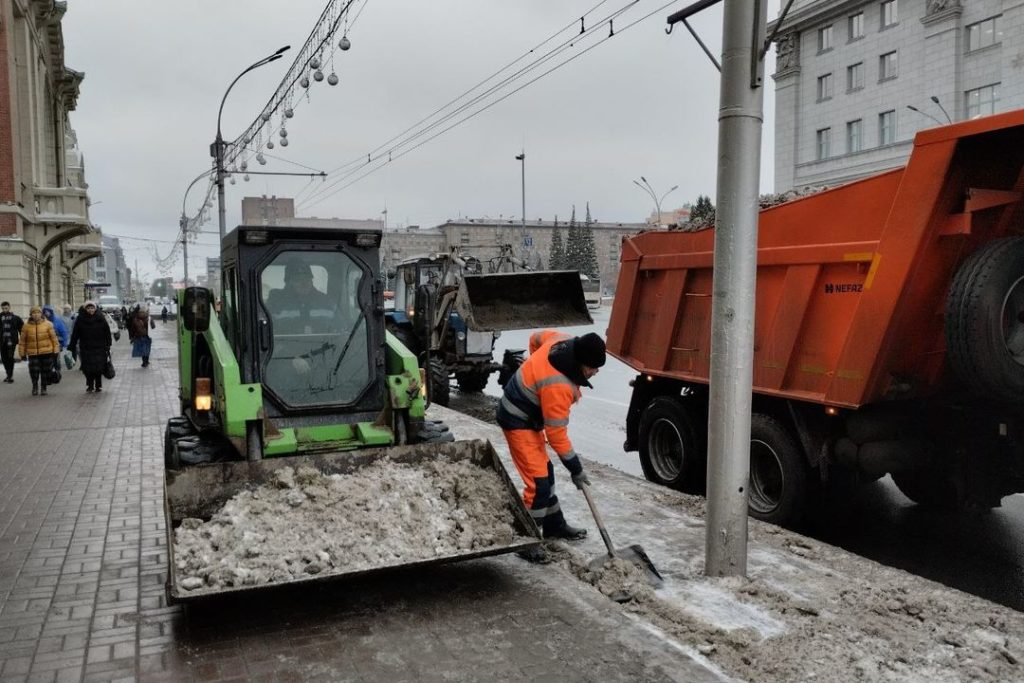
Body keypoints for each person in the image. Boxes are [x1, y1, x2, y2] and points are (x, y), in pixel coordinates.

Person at [496, 329, 607, 563]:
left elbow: (536, 338)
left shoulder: (561, 340)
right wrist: (576, 469)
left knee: (547, 474)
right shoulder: (558, 385)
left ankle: (554, 525)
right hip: (517, 419)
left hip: (531, 418)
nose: (596, 373)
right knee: (538, 484)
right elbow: (556, 435)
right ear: (583, 365)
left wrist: (532, 367)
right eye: (594, 369)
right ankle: (527, 540)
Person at [265, 262, 339, 375]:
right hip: (285, 362)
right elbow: (267, 339)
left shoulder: (327, 302)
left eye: (307, 278)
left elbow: (343, 331)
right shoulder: (276, 306)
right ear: (288, 282)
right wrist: (292, 357)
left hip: (324, 359)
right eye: (298, 279)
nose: (304, 283)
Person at [68, 300, 112, 393]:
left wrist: (108, 344)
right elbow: (75, 334)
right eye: (88, 308)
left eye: (92, 308)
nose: (90, 310)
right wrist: (72, 346)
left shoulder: (100, 318)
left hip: (100, 347)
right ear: (85, 309)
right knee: (88, 368)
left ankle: (98, 386)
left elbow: (107, 332)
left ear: (95, 309)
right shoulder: (80, 319)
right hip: (86, 348)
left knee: (99, 368)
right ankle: (90, 385)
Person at [18, 306, 59, 396]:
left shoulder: (48, 324)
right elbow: (22, 341)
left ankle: (44, 387)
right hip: (32, 353)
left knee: (45, 371)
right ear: (31, 315)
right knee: (34, 371)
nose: (36, 315)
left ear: (41, 314)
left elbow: (54, 339)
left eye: (38, 313)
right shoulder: (26, 326)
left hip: (46, 352)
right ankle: (35, 386)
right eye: (34, 313)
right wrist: (22, 353)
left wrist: (56, 351)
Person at [0, 301, 24, 383]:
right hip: (2, 342)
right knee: (4, 359)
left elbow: (22, 329)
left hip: (11, 342)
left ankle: (10, 376)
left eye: (6, 308)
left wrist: (22, 339)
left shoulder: (15, 318)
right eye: (3, 308)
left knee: (10, 358)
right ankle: (8, 374)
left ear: (9, 307)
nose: (4, 310)